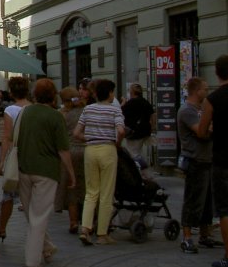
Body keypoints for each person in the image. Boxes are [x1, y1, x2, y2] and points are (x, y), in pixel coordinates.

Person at [14, 78, 75, 267]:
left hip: (23, 168)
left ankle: (47, 247)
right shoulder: (55, 116)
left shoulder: (24, 112)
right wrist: (72, 174)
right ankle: (32, 260)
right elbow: (63, 150)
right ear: (53, 95)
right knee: (39, 216)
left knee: (32, 215)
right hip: (46, 171)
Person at [199, 54, 228, 267]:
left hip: (223, 161)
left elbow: (201, 130)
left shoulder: (213, 99)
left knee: (226, 210)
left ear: (217, 73)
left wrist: (211, 129)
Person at [74, 78, 124, 245]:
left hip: (90, 150)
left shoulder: (88, 109)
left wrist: (88, 138)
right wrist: (117, 142)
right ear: (109, 93)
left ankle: (85, 228)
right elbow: (121, 130)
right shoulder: (115, 111)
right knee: (106, 193)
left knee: (91, 192)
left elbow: (76, 133)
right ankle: (102, 234)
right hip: (108, 150)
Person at [177, 76, 216, 253]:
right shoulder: (187, 110)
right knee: (193, 199)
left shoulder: (202, 109)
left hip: (207, 158)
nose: (207, 92)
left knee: (207, 200)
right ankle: (186, 237)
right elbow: (201, 131)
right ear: (197, 91)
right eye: (205, 89)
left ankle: (205, 234)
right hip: (194, 159)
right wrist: (209, 129)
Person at [0, 75, 30, 240]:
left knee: (8, 193)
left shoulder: (10, 110)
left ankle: (2, 227)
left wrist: (1, 161)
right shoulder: (33, 108)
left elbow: (7, 137)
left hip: (15, 156)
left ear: (12, 92)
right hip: (32, 154)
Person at [56, 86, 86, 233]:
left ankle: (73, 222)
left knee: (71, 188)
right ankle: (89, 220)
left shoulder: (61, 115)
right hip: (87, 150)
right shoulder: (86, 111)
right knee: (88, 187)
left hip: (69, 153)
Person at [121, 83, 156, 164]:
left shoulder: (130, 103)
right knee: (138, 152)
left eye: (130, 90)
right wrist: (152, 127)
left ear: (132, 92)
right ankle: (144, 170)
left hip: (133, 132)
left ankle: (143, 170)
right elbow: (153, 115)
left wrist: (123, 102)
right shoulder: (145, 102)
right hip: (144, 131)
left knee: (133, 154)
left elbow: (120, 112)